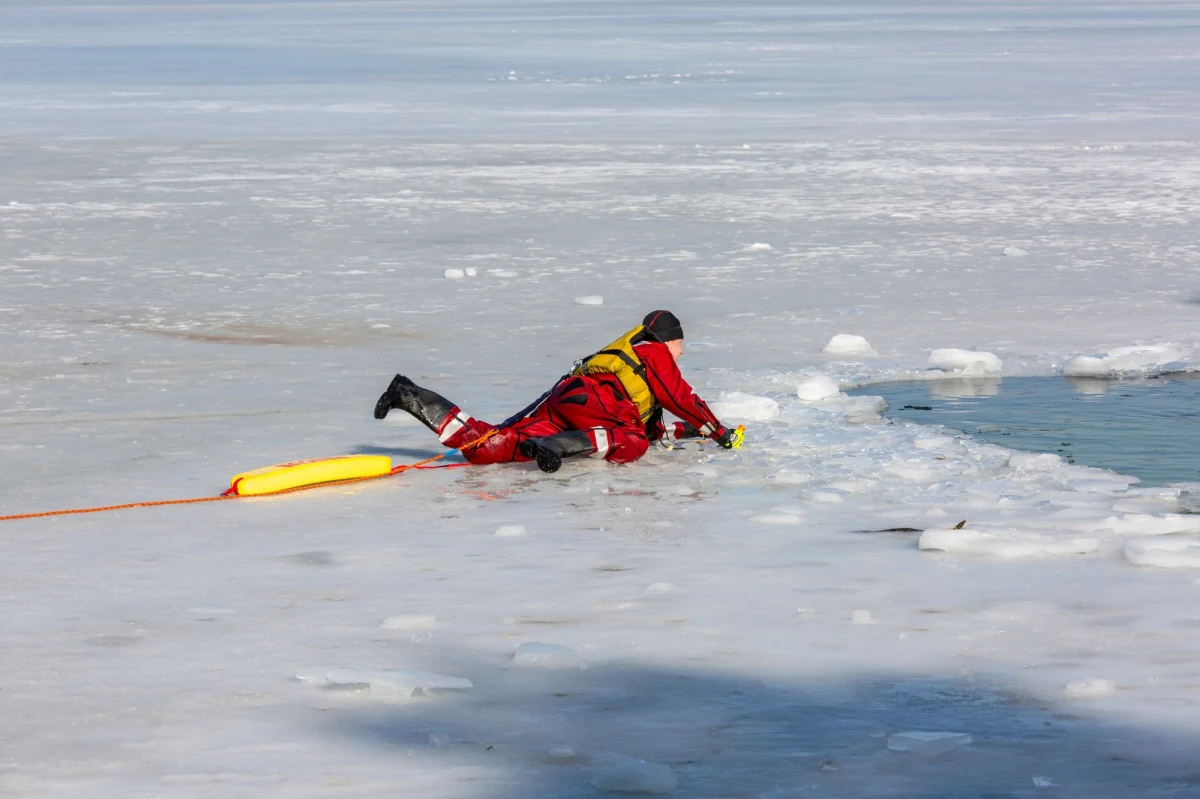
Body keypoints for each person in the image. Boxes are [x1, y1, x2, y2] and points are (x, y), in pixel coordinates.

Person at [372, 310, 742, 473]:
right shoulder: (653, 349)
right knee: (631, 443)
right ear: (670, 339)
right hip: (597, 404)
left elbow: (660, 426)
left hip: (569, 403)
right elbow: (679, 398)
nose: (680, 353)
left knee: (490, 449)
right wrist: (718, 431)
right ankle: (559, 446)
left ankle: (410, 395)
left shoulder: (632, 357)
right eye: (681, 345)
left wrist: (696, 432)